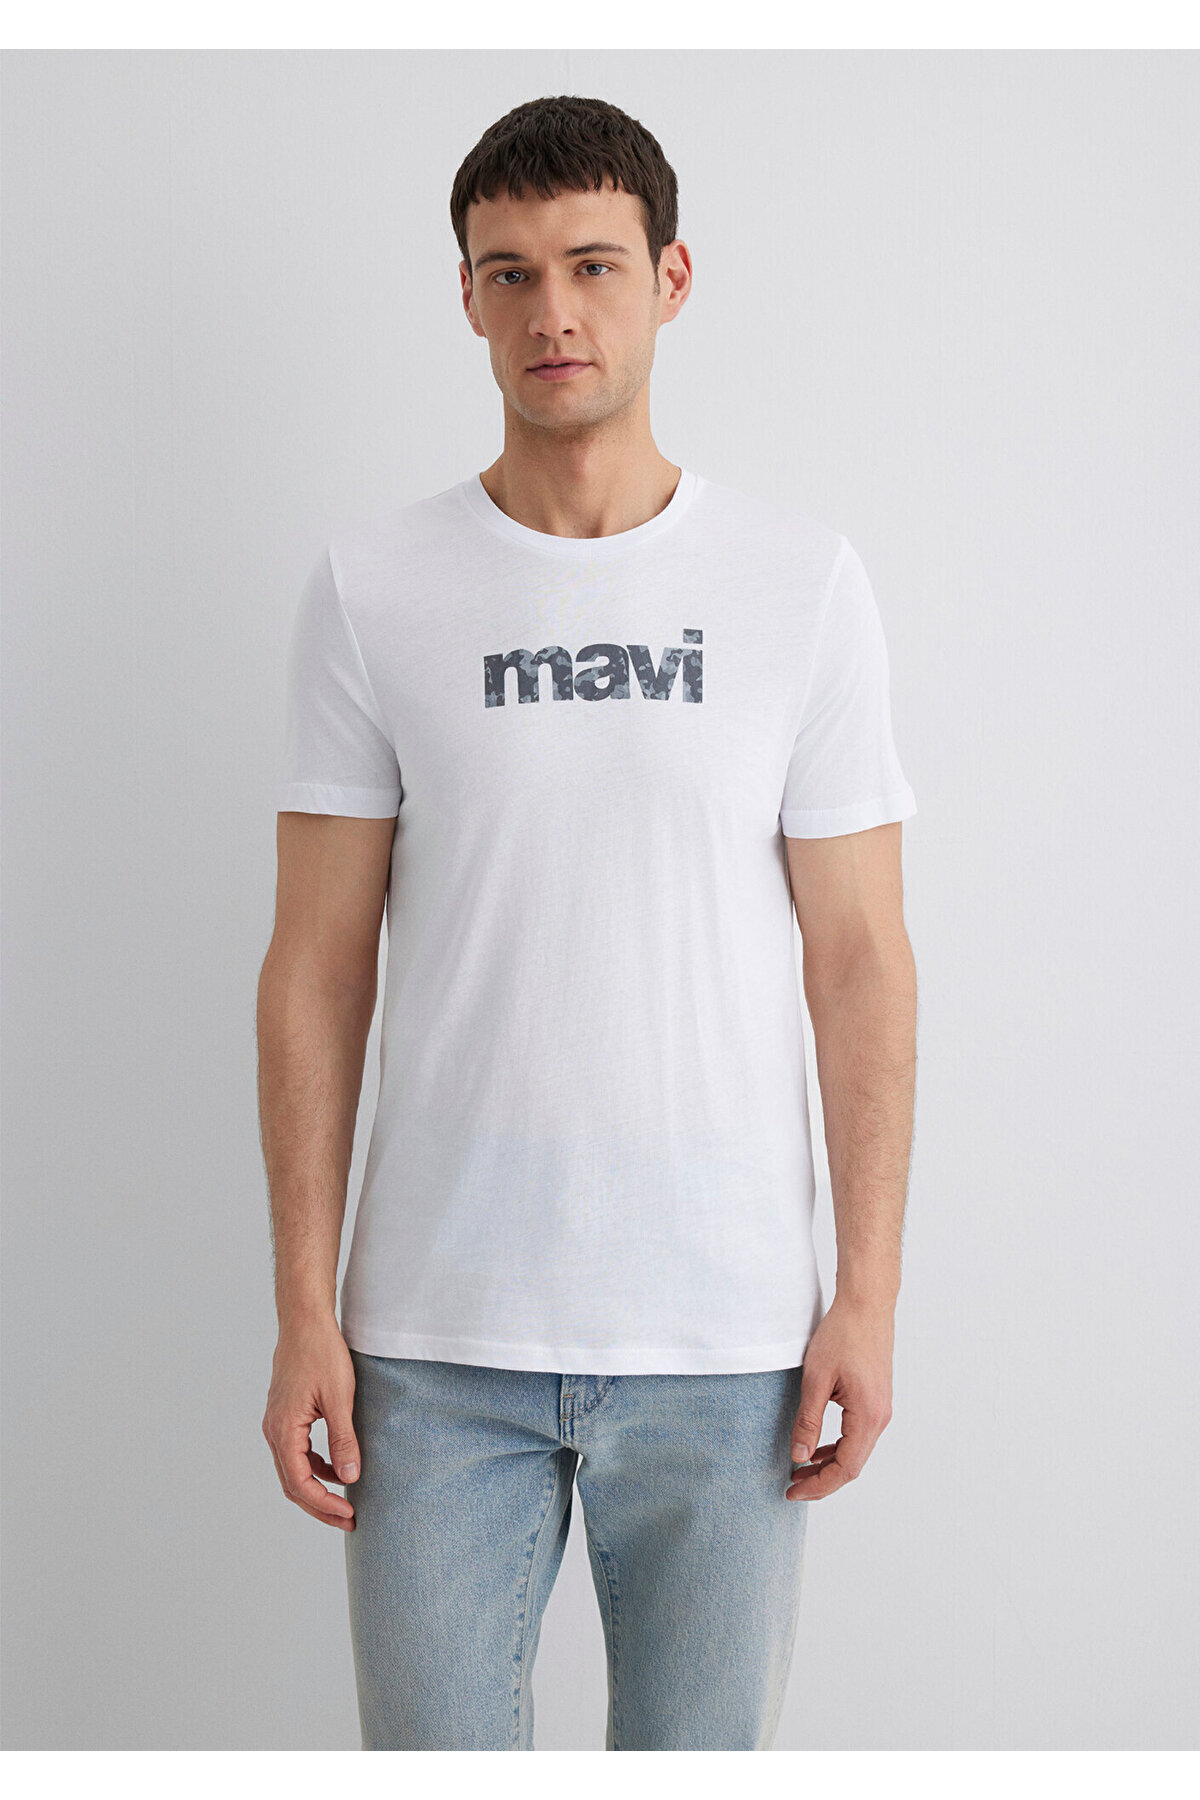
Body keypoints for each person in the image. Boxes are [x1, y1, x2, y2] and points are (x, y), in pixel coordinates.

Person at [257, 93, 918, 1753]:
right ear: (468, 297)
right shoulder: (372, 588)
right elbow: (315, 971)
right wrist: (302, 1310)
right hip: (433, 1345)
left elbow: (860, 963)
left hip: (727, 1342)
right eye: (512, 272)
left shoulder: (799, 583)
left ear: (671, 280)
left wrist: (869, 1295)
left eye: (594, 264)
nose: (554, 309)